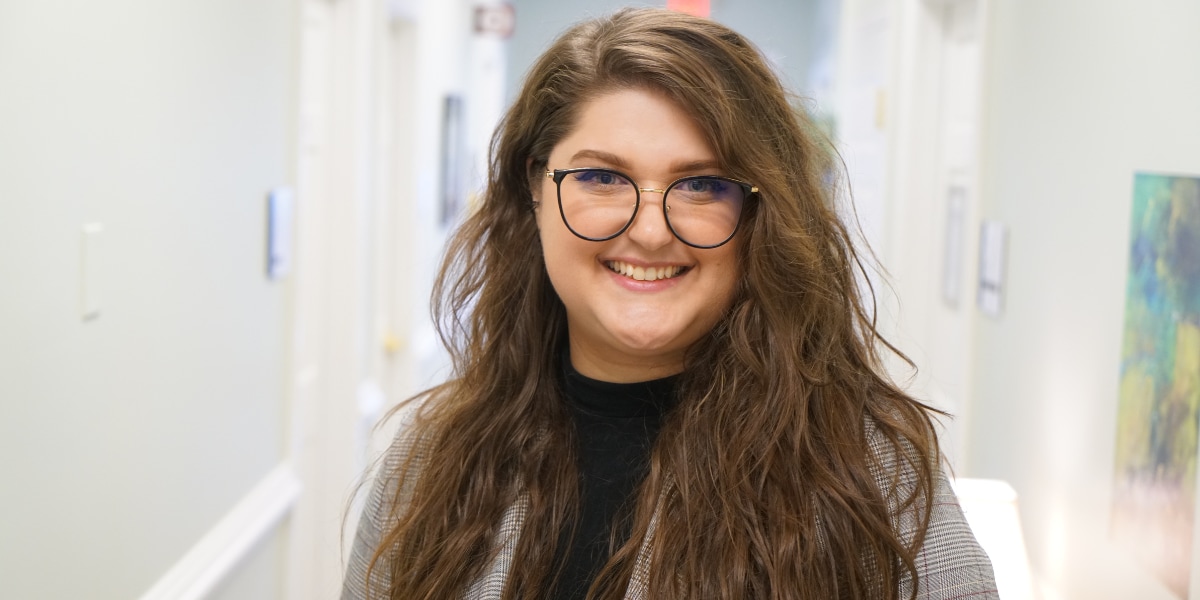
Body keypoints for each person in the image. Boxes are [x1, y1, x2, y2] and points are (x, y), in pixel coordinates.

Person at [342, 7, 998, 600]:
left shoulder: (869, 472)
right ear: (534, 188)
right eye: (602, 177)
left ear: (759, 214)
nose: (651, 231)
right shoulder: (432, 458)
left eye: (701, 186)